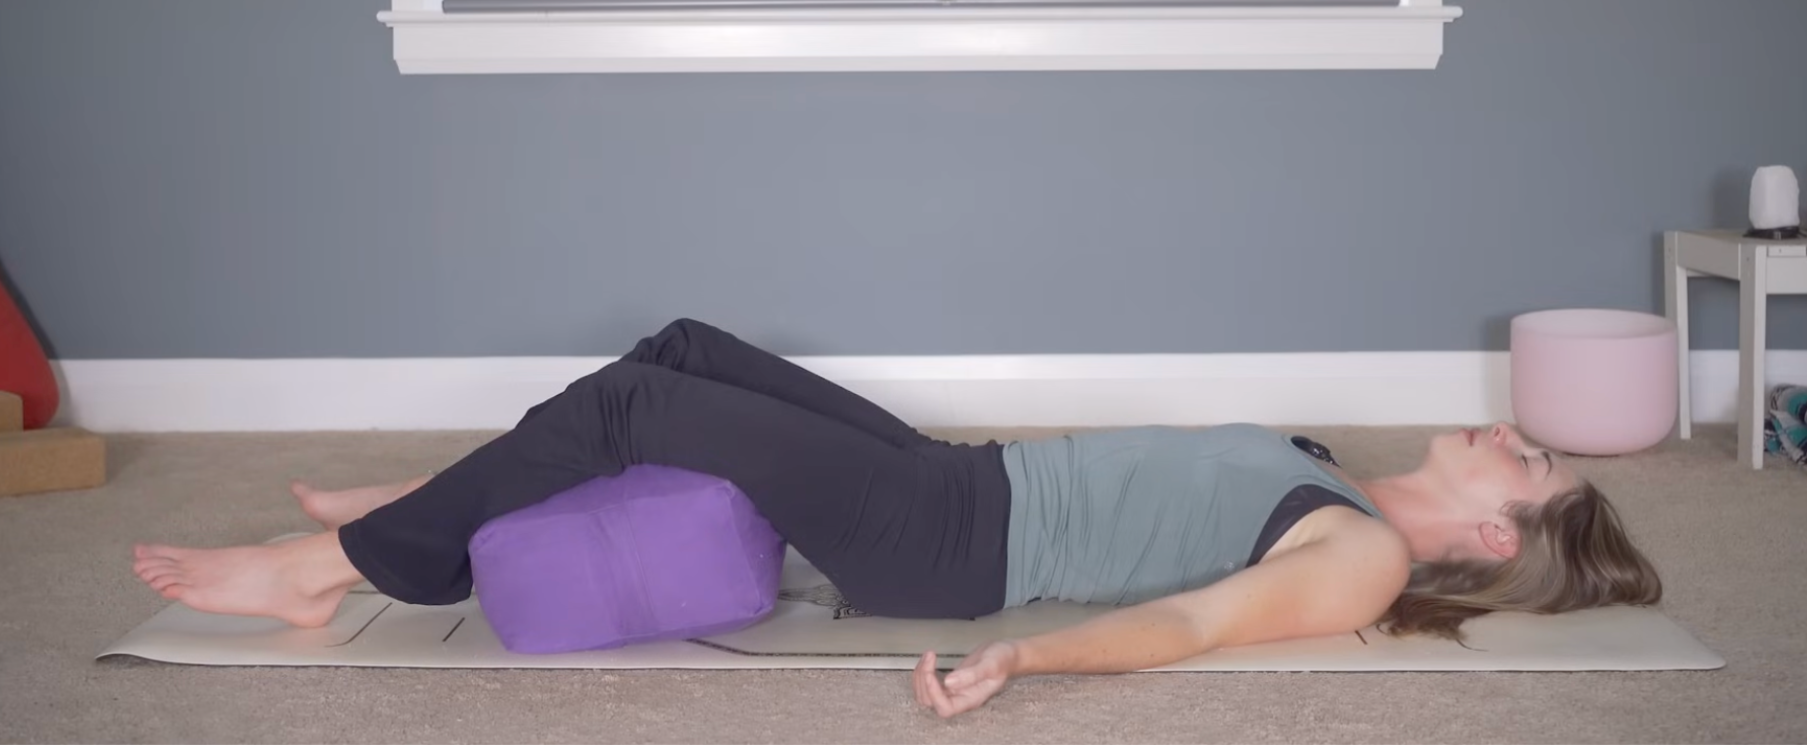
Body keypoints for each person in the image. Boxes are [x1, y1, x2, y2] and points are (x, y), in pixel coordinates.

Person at [133, 319, 1663, 718]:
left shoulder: (1366, 557)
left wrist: (1026, 663)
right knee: (684, 347)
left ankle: (333, 566)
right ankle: (426, 499)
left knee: (636, 404)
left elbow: (1194, 625)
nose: (1506, 432)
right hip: (962, 478)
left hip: (951, 546)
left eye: (1525, 463)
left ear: (1495, 541)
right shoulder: (1336, 474)